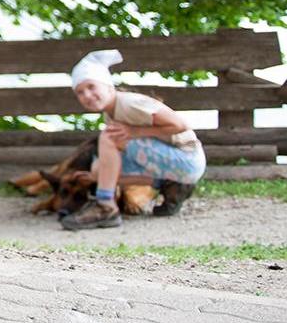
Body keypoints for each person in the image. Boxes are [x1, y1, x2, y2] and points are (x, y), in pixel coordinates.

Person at [62, 49, 206, 230]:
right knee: (99, 172)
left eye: (91, 87)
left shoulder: (130, 103)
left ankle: (106, 207)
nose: (87, 96)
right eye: (80, 92)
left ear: (107, 85)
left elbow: (180, 125)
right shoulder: (110, 113)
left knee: (109, 137)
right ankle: (168, 185)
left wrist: (134, 130)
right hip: (171, 164)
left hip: (187, 158)